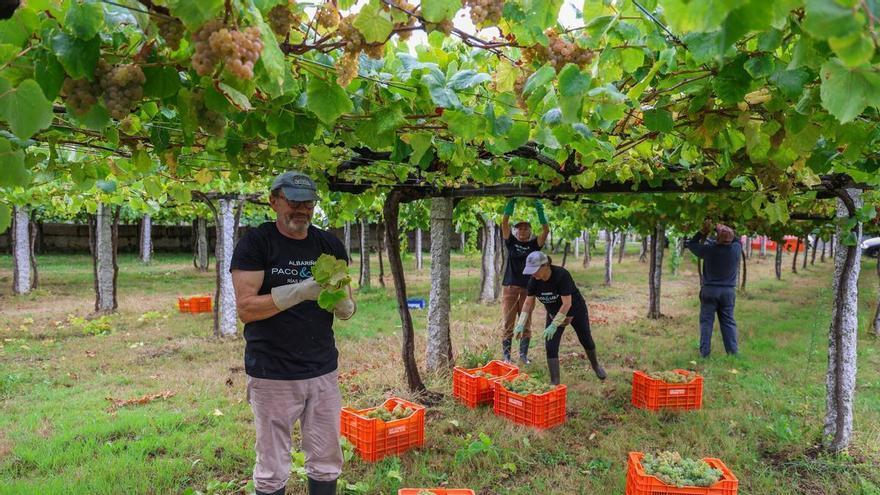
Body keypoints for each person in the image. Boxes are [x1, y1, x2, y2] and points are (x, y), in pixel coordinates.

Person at [230, 171, 356, 495]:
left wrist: (345, 305)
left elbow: (346, 302)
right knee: (272, 466)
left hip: (321, 369)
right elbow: (245, 308)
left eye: (308, 202)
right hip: (272, 371)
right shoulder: (256, 243)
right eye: (293, 201)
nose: (301, 209)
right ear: (274, 201)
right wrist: (298, 291)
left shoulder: (328, 244)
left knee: (327, 458)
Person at [515, 251, 606, 384]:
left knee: (585, 338)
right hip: (553, 313)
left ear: (546, 265)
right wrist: (521, 323)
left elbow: (567, 303)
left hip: (575, 311)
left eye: (535, 270)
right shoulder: (534, 280)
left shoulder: (561, 275)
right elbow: (528, 302)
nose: (532, 274)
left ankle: (596, 365)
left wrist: (554, 325)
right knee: (550, 345)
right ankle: (555, 382)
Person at [500, 198, 550, 364]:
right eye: (519, 228)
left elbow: (546, 230)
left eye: (525, 228)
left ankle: (523, 356)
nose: (522, 230)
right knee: (509, 321)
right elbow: (504, 223)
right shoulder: (511, 242)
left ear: (530, 231)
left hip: (528, 289)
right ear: (516, 231)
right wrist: (509, 208)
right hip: (510, 288)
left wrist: (541, 214)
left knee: (526, 322)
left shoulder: (534, 245)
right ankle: (507, 356)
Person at [686, 220, 741, 357]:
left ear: (717, 238)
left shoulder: (709, 250)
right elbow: (736, 239)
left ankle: (704, 353)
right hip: (728, 292)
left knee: (706, 323)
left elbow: (691, 244)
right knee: (728, 322)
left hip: (710, 291)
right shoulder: (736, 249)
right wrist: (723, 228)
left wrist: (703, 232)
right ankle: (733, 353)